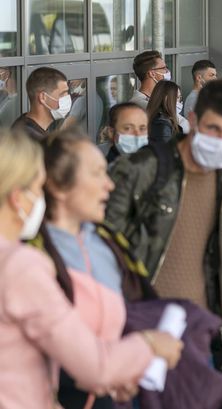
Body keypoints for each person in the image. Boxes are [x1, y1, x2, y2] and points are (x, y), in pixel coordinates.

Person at [0, 128, 182, 409]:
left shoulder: (106, 244)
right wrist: (151, 343)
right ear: (16, 198)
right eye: (38, 188)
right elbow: (95, 366)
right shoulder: (22, 264)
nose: (42, 198)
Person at [105, 79, 222, 387]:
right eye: (214, 129)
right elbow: (102, 249)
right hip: (136, 329)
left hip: (194, 334)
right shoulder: (140, 169)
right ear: (193, 120)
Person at [36, 129, 157, 409]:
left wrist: (124, 373)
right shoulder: (31, 255)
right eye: (96, 173)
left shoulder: (109, 245)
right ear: (57, 185)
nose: (109, 185)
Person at [11, 67, 69, 142]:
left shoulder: (25, 124)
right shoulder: (32, 140)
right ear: (43, 97)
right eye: (62, 94)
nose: (67, 99)